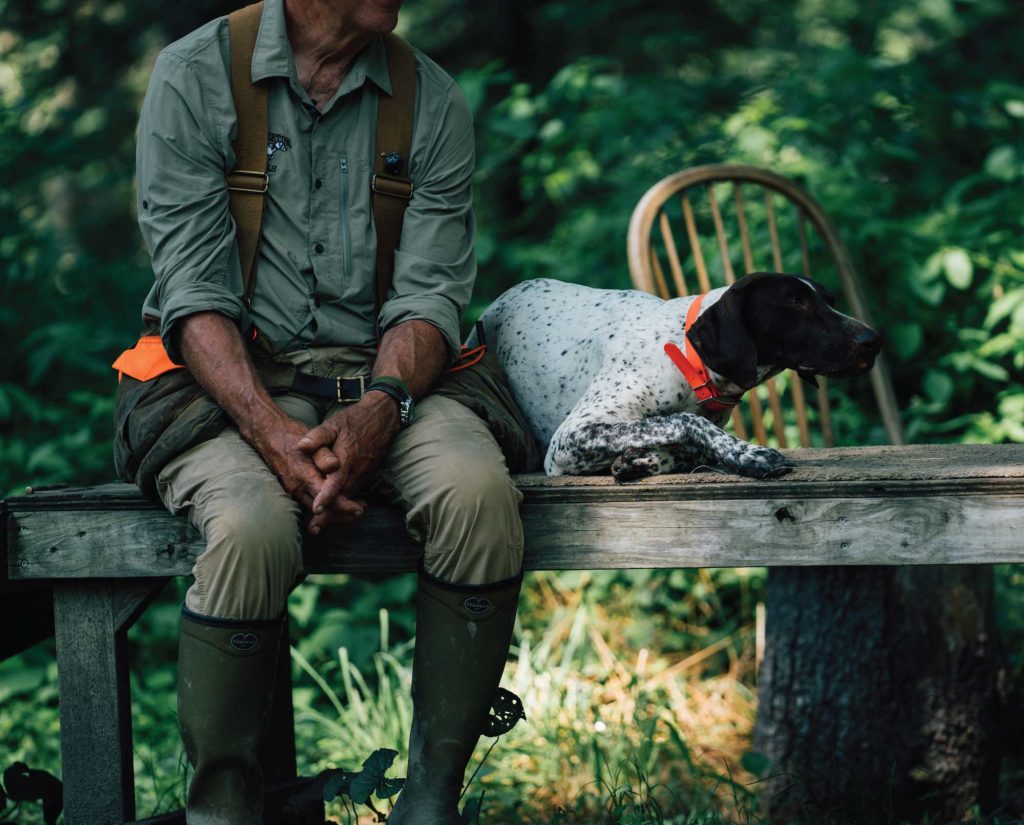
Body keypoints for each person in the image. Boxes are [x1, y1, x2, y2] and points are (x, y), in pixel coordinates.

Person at [130, 1, 524, 822]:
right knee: (249, 525)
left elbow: (431, 296)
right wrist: (273, 435)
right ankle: (222, 811)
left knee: (478, 494)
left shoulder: (432, 99)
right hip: (228, 375)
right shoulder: (196, 76)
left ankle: (428, 803)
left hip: (386, 377)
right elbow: (194, 297)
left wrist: (383, 407)